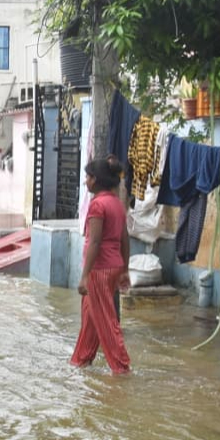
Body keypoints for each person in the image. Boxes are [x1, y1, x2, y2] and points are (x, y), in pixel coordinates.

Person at [71, 156, 131, 375]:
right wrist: (124, 269)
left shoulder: (97, 204)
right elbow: (125, 239)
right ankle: (81, 361)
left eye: (87, 177)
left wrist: (85, 276)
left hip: (99, 270)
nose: (85, 181)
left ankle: (121, 368)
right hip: (113, 266)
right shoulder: (117, 203)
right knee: (90, 318)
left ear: (96, 180)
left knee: (106, 321)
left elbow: (95, 241)